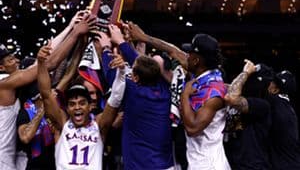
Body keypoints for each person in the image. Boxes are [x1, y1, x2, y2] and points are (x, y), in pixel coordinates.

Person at [125, 22, 229, 169]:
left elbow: (192, 129)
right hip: (198, 162)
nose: (186, 55)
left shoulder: (213, 92)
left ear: (196, 60)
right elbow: (172, 50)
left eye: (190, 53)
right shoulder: (203, 73)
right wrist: (143, 37)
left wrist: (184, 95)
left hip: (208, 165)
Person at [0, 11, 96, 170]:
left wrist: (70, 28)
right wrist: (75, 33)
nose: (16, 61)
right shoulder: (4, 84)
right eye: (9, 59)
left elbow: (43, 62)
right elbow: (47, 64)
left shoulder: (12, 86)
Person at [37, 42, 122, 170]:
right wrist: (41, 63)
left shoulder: (98, 124)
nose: (77, 107)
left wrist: (121, 71)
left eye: (82, 103)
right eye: (72, 104)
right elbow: (46, 94)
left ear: (90, 106)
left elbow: (115, 98)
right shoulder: (62, 123)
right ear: (67, 108)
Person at [100, 24, 174, 170]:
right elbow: (144, 66)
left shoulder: (132, 92)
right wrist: (123, 43)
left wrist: (105, 48)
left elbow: (111, 75)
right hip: (166, 166)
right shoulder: (166, 90)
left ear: (135, 77)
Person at [224, 60, 273, 169]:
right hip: (234, 162)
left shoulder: (262, 105)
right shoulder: (240, 93)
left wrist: (245, 73)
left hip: (252, 165)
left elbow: (230, 98)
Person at [267, 70, 300, 169]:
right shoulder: (288, 107)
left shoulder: (274, 102)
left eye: (272, 82)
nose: (268, 84)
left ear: (275, 90)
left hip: (284, 165)